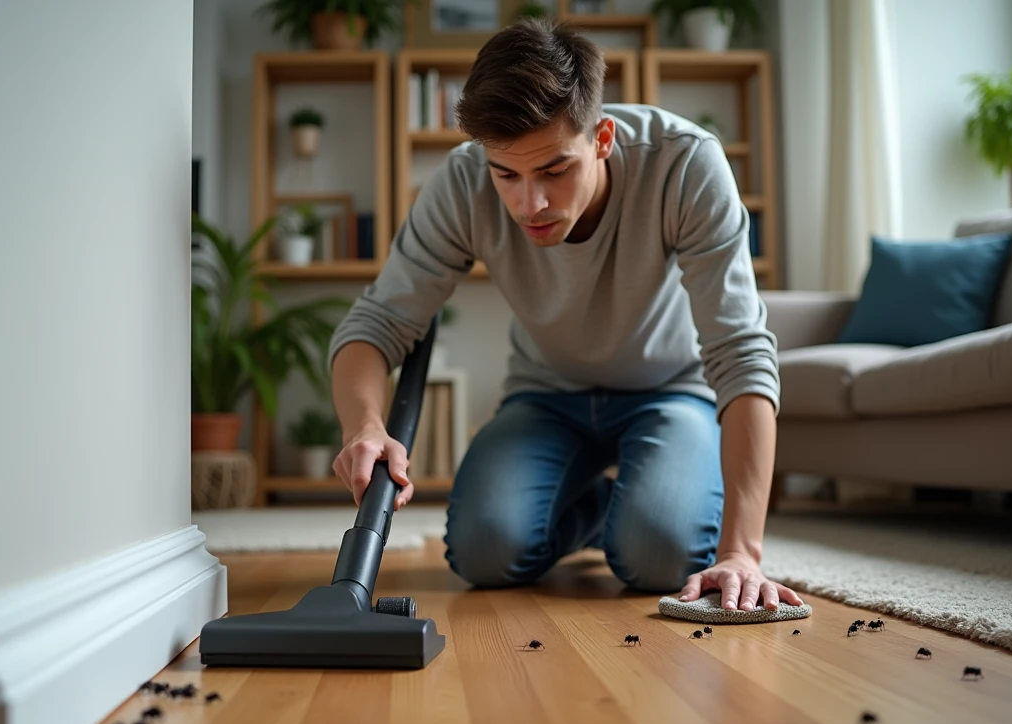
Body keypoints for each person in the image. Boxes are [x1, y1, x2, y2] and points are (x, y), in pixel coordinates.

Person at [328, 19, 802, 612]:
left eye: (554, 170)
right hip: (545, 396)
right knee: (484, 553)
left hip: (670, 391)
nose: (531, 204)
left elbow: (742, 353)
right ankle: (605, 509)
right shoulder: (462, 182)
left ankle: (640, 513)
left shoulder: (685, 164)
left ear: (602, 137)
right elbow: (375, 325)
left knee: (657, 556)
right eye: (508, 174)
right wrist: (366, 427)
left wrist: (742, 552)